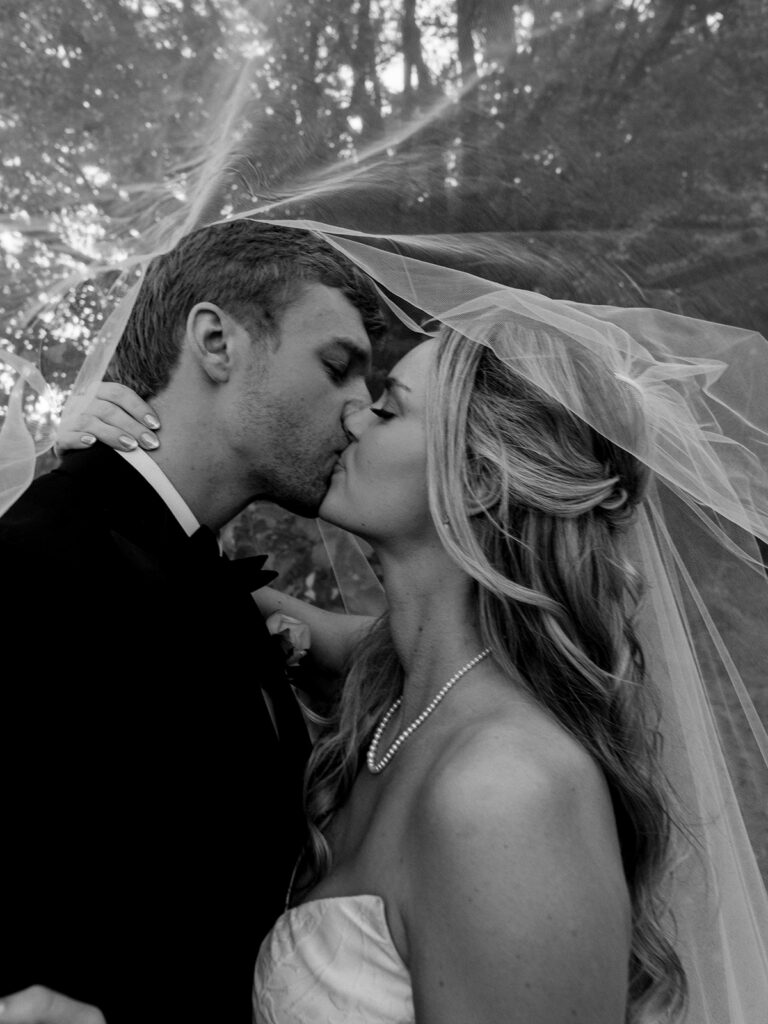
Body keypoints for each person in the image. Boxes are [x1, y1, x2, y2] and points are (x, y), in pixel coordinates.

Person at [51, 326, 685, 1022]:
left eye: (388, 409)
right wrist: (103, 472)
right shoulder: (398, 690)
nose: (354, 415)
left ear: (476, 481)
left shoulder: (506, 791)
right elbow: (165, 583)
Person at [0, 218, 386, 1024]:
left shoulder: (196, 576)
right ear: (216, 341)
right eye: (338, 366)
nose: (360, 413)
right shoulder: (36, 568)